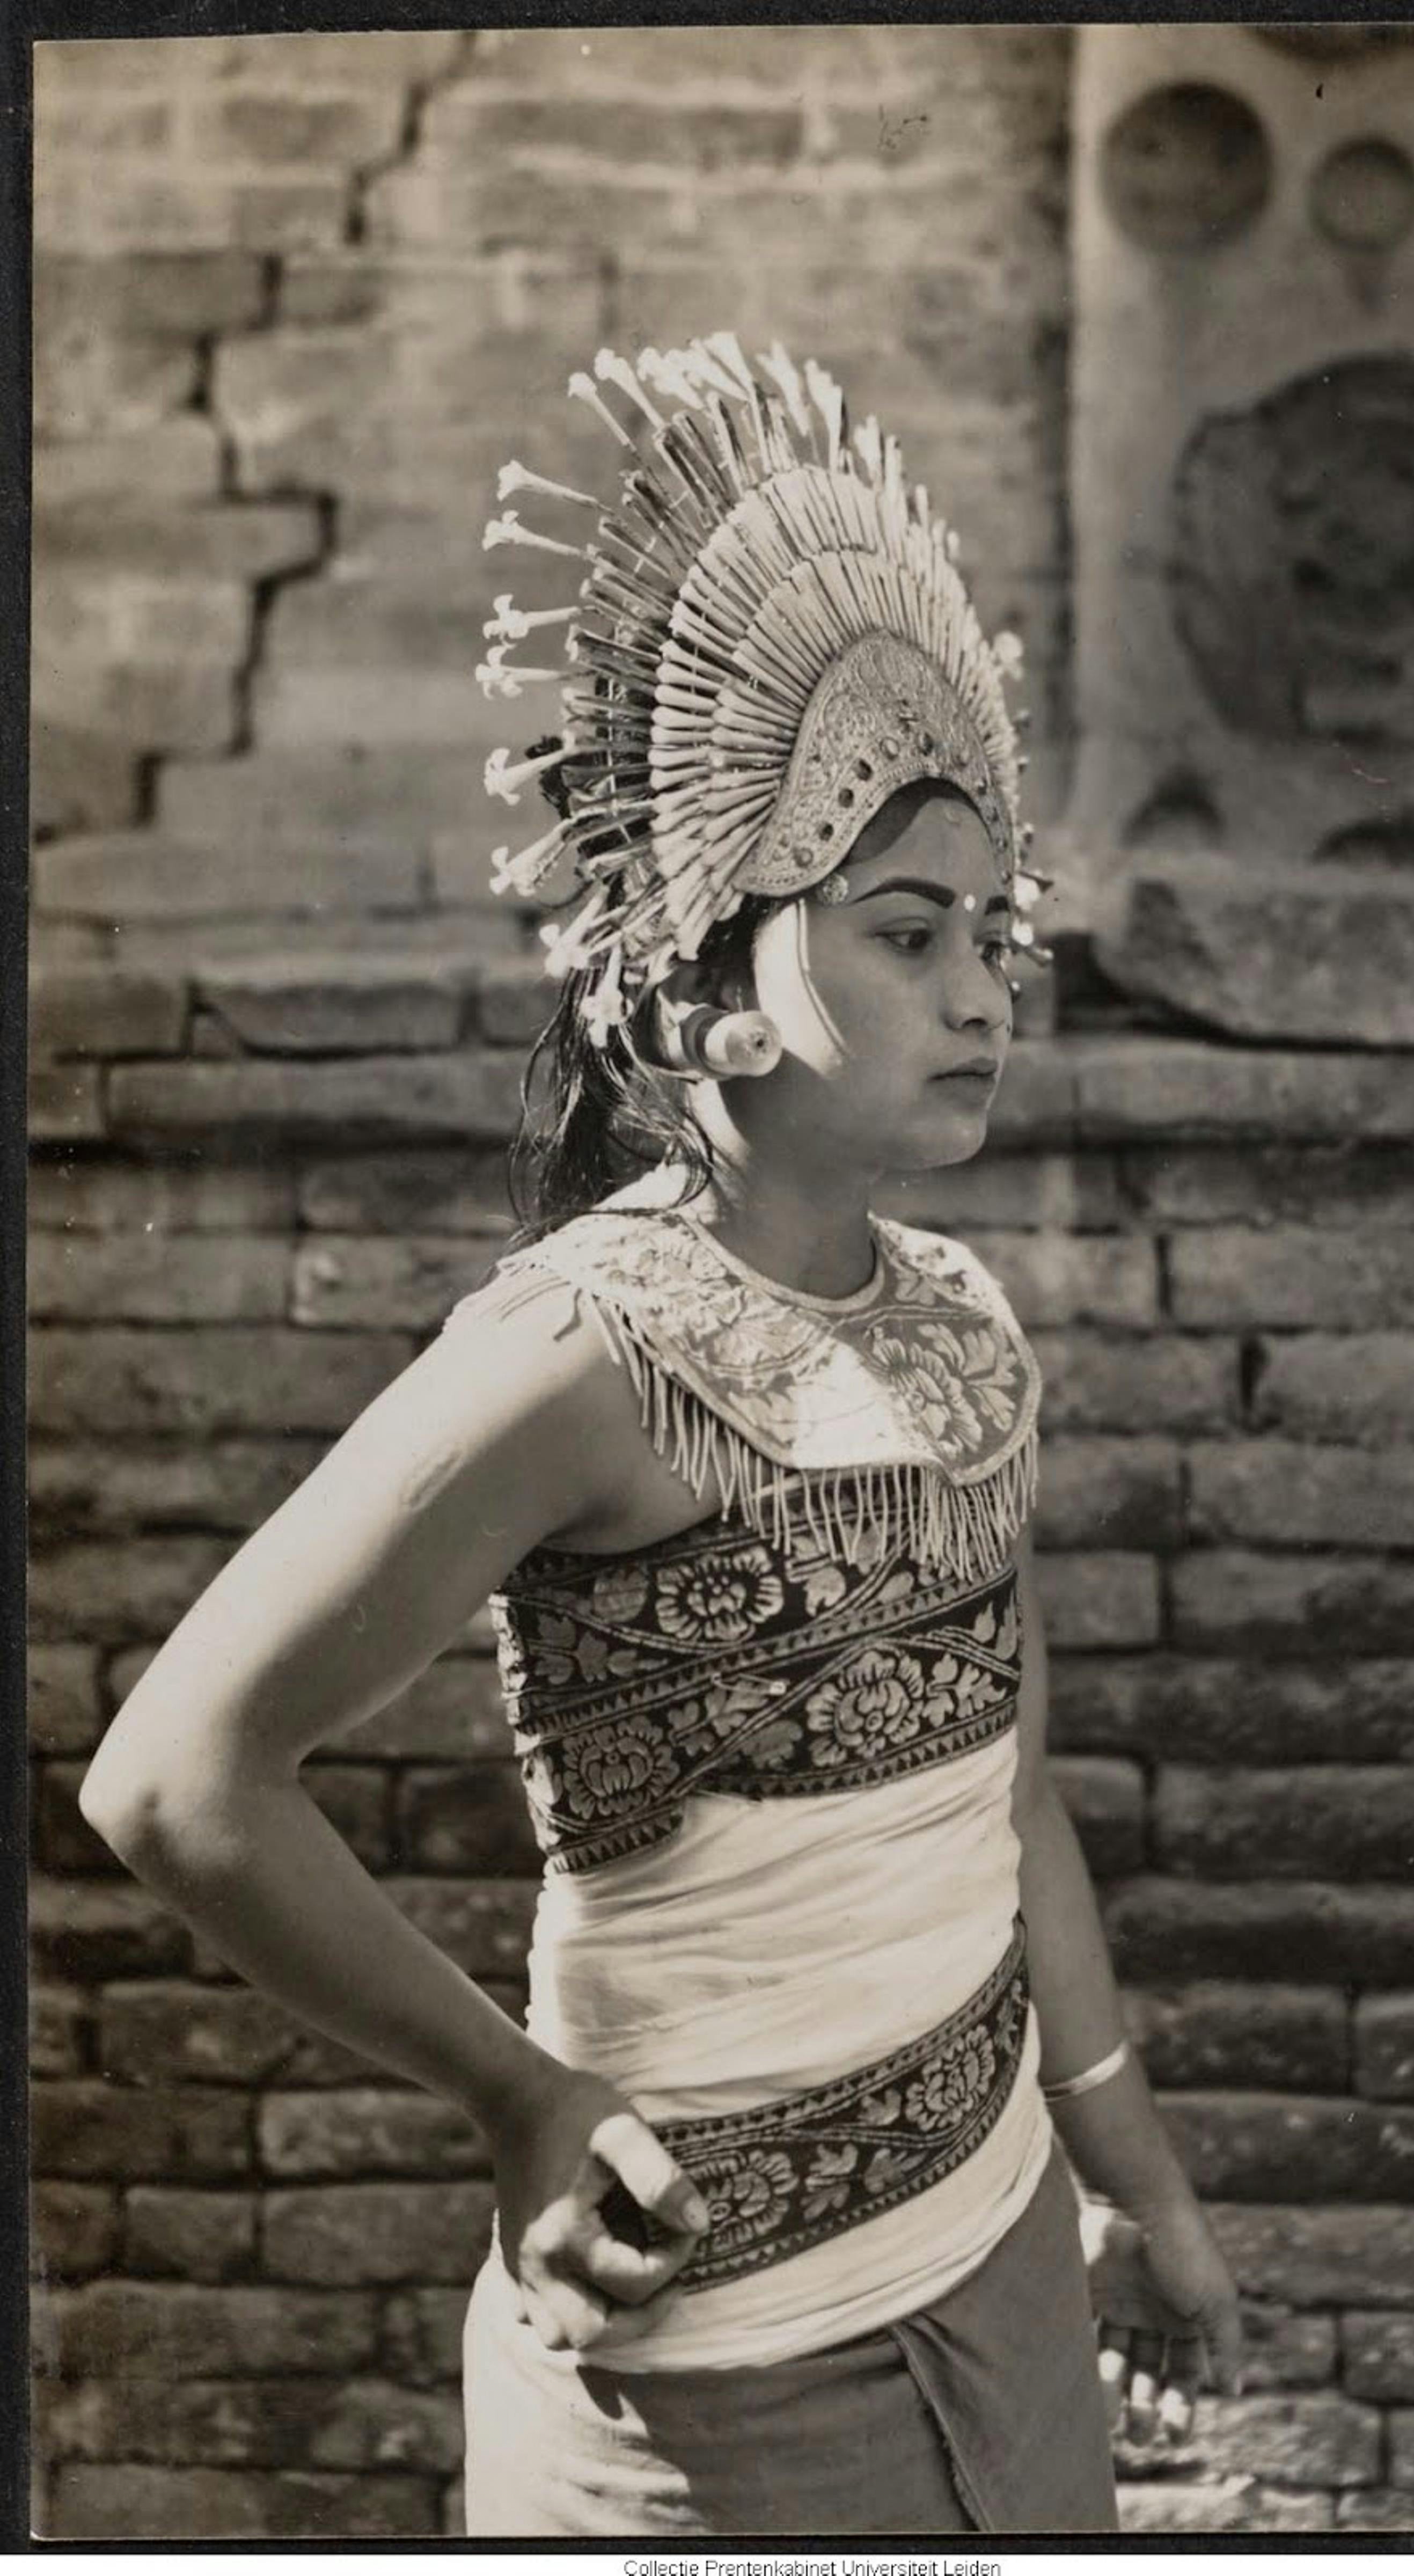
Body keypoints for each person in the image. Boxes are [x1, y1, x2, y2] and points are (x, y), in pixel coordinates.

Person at [80, 335, 1241, 2539]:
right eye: (904, 933)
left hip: (1001, 2279)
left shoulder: (969, 1330)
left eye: (989, 933)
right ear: (691, 998)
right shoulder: (581, 1354)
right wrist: (515, 2100)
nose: (985, 989)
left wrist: (1139, 2189)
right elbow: (174, 1777)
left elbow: (1009, 1798)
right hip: (711, 2387)